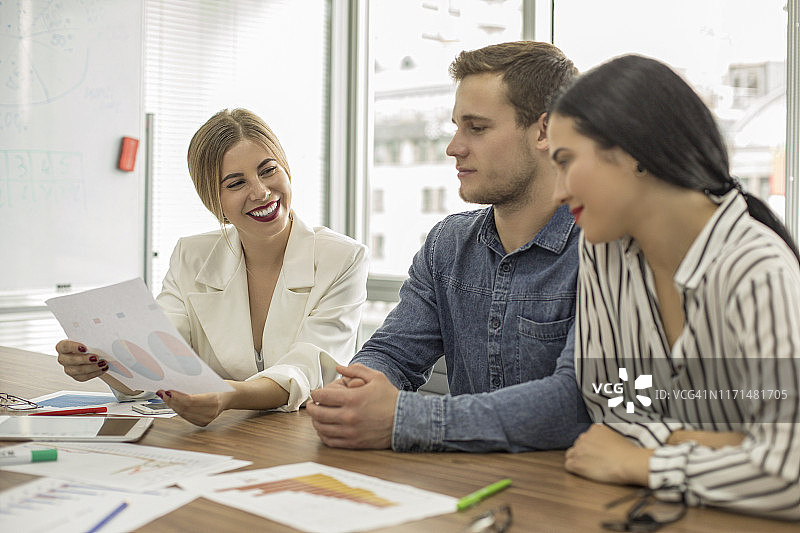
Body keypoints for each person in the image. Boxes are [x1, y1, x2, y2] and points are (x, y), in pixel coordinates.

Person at [547, 54, 800, 520]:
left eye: (566, 162)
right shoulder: (601, 250)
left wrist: (642, 462)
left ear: (632, 152)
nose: (557, 192)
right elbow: (611, 405)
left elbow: (790, 473)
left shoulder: (756, 269)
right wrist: (730, 446)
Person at [307, 41, 590, 452]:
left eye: (477, 128)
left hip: (564, 484)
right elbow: (393, 352)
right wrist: (355, 392)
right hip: (465, 479)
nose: (454, 147)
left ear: (545, 132)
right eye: (457, 126)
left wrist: (403, 418)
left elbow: (573, 403)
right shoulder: (447, 244)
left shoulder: (600, 249)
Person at [55, 108, 369, 426]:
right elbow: (160, 363)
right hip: (216, 437)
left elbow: (308, 370)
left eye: (268, 170)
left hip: (309, 433)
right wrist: (105, 364)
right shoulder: (191, 256)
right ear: (213, 201)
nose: (261, 192)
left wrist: (228, 396)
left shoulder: (342, 258)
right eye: (236, 183)